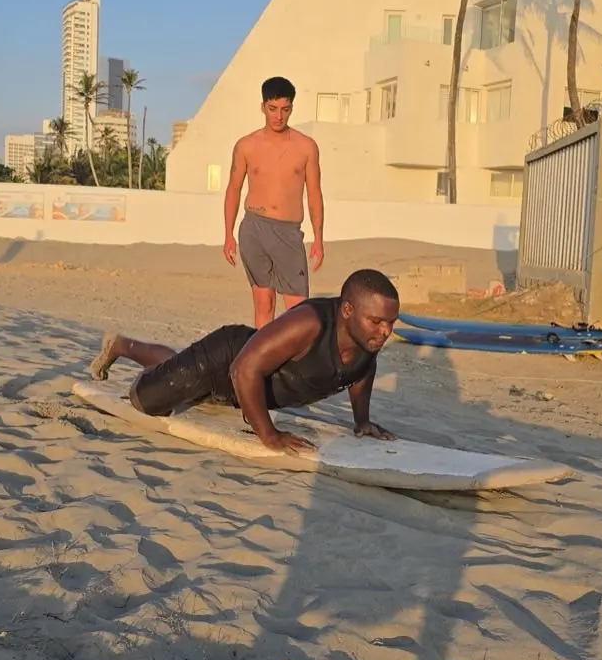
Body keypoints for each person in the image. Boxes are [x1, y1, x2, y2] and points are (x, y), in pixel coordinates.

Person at [88, 269, 401, 454]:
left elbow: (361, 370)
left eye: (391, 322)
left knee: (179, 370)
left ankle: (161, 360)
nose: (386, 331)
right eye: (377, 321)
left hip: (246, 377)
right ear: (347, 311)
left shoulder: (366, 339)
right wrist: (268, 434)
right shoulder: (310, 322)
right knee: (146, 400)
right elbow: (243, 368)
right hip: (225, 360)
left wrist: (362, 420)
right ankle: (121, 345)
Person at [222, 76, 325, 329]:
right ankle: (262, 364)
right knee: (263, 303)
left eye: (285, 110)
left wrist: (319, 238)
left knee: (299, 312)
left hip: (289, 233)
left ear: (291, 109)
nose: (279, 116)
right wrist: (228, 235)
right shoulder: (246, 145)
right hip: (254, 229)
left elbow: (314, 194)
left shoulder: (306, 147)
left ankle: (297, 366)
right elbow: (233, 189)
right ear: (263, 107)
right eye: (273, 109)